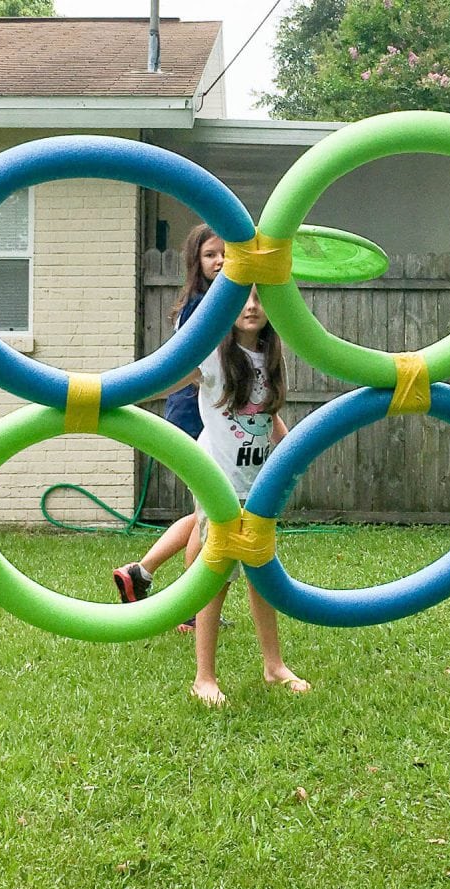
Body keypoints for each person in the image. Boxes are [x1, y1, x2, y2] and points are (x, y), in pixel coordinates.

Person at [148, 287, 311, 705]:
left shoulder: (270, 358)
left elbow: (268, 415)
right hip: (217, 484)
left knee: (261, 574)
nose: (252, 306)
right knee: (216, 575)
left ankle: (274, 666)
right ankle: (204, 677)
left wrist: (291, 450)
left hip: (258, 485)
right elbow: (165, 378)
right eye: (242, 297)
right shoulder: (212, 356)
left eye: (260, 298)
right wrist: (115, 395)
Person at [113, 224, 224, 629]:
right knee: (212, 514)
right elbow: (191, 366)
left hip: (200, 414)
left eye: (226, 253)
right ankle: (192, 610)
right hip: (195, 416)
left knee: (207, 512)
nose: (220, 261)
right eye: (211, 254)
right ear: (196, 261)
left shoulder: (216, 302)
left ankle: (139, 573)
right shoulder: (202, 306)